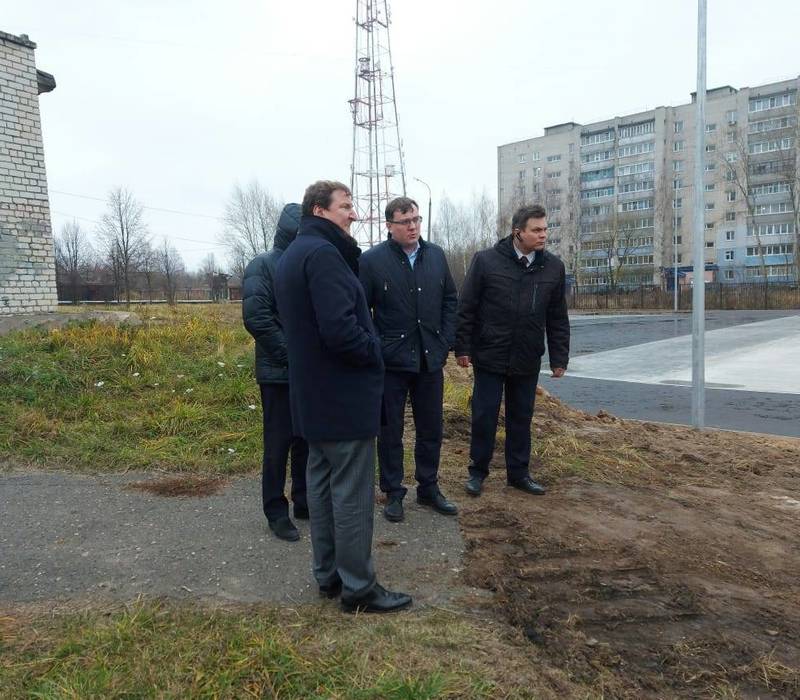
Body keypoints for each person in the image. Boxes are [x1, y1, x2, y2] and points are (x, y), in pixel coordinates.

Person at [274, 180, 412, 614]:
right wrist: (376, 354)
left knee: (320, 485)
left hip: (312, 396)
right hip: (342, 396)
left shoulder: (294, 255)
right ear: (319, 210)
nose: (353, 214)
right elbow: (340, 330)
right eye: (346, 207)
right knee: (351, 495)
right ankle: (359, 588)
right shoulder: (324, 256)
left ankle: (329, 575)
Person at [454, 204, 570, 497]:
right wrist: (462, 347)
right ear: (517, 232)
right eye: (537, 230)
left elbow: (557, 316)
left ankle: (519, 474)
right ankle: (477, 473)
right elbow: (467, 308)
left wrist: (559, 357)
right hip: (490, 354)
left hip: (527, 356)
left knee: (521, 417)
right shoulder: (486, 261)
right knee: (484, 416)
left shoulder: (553, 267)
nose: (543, 235)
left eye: (545, 229)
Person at [360, 197, 458, 523]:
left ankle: (428, 487)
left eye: (416, 219)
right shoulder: (372, 261)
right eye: (406, 221)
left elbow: (450, 302)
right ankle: (393, 492)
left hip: (430, 359)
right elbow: (362, 311)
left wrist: (444, 342)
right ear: (389, 226)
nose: (413, 226)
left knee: (431, 428)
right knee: (390, 431)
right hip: (391, 363)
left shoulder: (436, 256)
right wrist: (377, 346)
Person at [242, 203, 308, 542]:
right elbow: (258, 319)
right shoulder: (263, 266)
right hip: (278, 372)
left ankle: (303, 500)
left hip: (306, 372)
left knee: (305, 439)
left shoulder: (304, 264)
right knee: (278, 444)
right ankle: (275, 510)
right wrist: (293, 356)